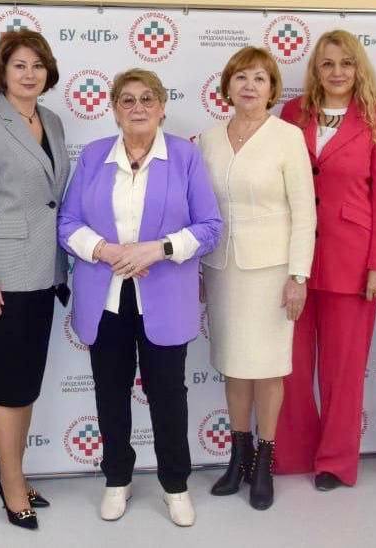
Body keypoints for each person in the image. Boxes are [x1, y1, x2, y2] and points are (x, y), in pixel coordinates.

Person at [58, 68, 222, 528]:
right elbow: (67, 224)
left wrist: (158, 249)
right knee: (110, 392)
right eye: (127, 100)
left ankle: (175, 484)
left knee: (168, 394)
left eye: (147, 98)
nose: (138, 107)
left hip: (164, 299)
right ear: (114, 109)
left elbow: (210, 228)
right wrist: (106, 251)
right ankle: (117, 479)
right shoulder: (94, 156)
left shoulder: (185, 157)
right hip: (105, 298)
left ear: (162, 107)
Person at [273, 29, 376, 491]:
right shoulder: (293, 113)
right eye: (327, 63)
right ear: (315, 70)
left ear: (358, 68)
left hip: (353, 261)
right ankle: (293, 453)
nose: (337, 72)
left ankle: (335, 461)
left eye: (346, 63)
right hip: (294, 258)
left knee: (343, 372)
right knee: (290, 365)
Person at [0, 30, 69, 530]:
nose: (29, 74)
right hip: (0, 278)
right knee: (4, 385)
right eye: (19, 65)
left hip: (43, 272)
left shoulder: (53, 121)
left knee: (24, 383)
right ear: (2, 72)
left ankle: (10, 471)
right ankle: (13, 484)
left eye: (37, 65)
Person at [197, 47, 315, 510]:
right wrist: (198, 268)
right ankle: (238, 456)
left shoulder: (288, 137)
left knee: (267, 367)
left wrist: (298, 275)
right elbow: (200, 210)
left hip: (271, 273)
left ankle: (265, 459)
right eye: (241, 77)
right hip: (222, 270)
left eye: (260, 78)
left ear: (272, 89)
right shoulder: (208, 139)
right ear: (227, 86)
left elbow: (304, 213)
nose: (249, 85)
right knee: (233, 363)